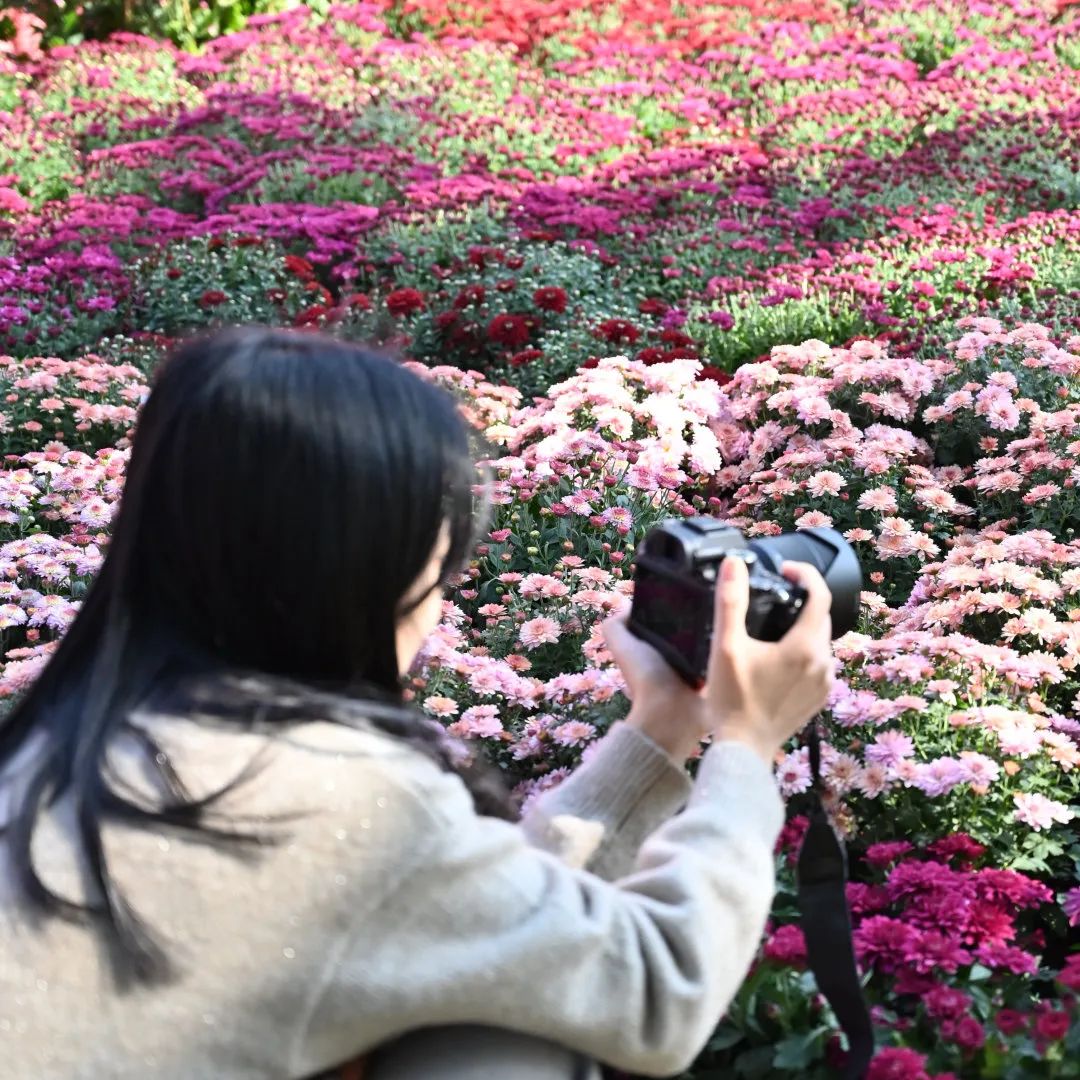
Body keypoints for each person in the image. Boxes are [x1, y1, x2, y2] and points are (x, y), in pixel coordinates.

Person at [0, 327, 834, 1079]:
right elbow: (660, 988)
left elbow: (476, 921)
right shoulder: (337, 797)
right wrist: (746, 746)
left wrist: (658, 730)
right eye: (435, 575)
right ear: (357, 582)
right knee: (494, 1046)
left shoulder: (60, 751)